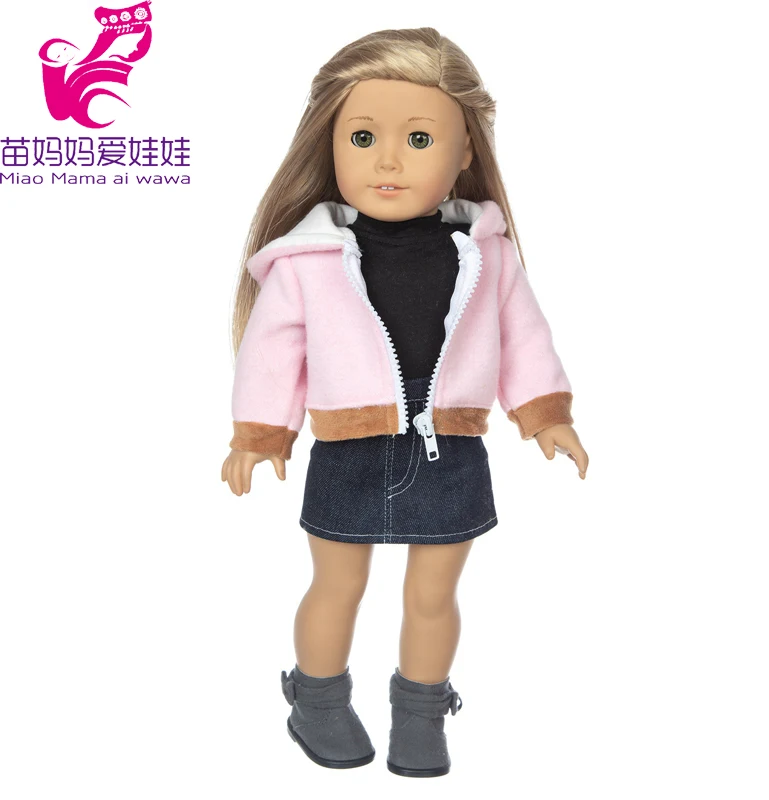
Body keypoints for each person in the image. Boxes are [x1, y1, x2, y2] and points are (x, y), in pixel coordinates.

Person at [221, 27, 589, 778]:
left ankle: (420, 712)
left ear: (465, 151)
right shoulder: (307, 259)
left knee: (433, 594)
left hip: (450, 446)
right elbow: (271, 351)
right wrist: (259, 433)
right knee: (338, 584)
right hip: (348, 447)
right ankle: (317, 700)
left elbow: (524, 337)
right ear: (329, 145)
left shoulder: (489, 252)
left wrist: (546, 414)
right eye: (362, 137)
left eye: (419, 139)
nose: (387, 161)